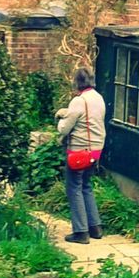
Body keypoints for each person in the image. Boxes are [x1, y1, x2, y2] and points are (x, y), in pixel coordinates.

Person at [55, 67, 106, 244]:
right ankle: (95, 227)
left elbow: (64, 128)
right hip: (95, 151)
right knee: (86, 186)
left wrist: (61, 117)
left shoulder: (78, 101)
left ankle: (81, 232)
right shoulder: (98, 98)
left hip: (79, 152)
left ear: (76, 82)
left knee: (74, 188)